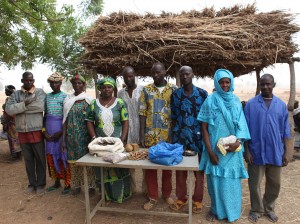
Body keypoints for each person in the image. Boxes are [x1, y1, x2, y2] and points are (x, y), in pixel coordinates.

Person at [197, 69, 250, 222]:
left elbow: (242, 126)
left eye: (227, 82)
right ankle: (215, 211)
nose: (225, 85)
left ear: (231, 82)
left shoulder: (235, 101)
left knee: (231, 183)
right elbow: (204, 128)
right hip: (215, 150)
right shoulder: (210, 100)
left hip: (233, 150)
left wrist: (237, 143)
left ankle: (232, 213)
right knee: (215, 182)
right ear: (217, 83)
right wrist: (210, 151)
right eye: (221, 82)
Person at [244, 74, 290, 223]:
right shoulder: (251, 104)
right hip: (256, 151)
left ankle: (269, 208)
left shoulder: (281, 105)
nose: (265, 87)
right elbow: (244, 130)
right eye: (262, 84)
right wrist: (247, 150)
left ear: (273, 84)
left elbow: (286, 131)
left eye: (268, 84)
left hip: (276, 151)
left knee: (275, 183)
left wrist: (286, 153)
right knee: (254, 182)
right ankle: (256, 210)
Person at [169, 66, 208, 213]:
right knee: (180, 171)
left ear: (193, 75)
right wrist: (173, 138)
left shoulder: (203, 94)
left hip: (198, 139)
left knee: (199, 172)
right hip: (180, 139)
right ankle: (181, 199)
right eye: (182, 74)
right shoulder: (176, 95)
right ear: (179, 77)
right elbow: (173, 118)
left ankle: (197, 200)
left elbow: (206, 119)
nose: (184, 76)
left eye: (187, 74)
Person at [139, 62, 177, 210]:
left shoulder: (173, 89)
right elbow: (142, 113)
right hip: (150, 135)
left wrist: (173, 134)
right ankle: (153, 197)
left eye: (159, 72)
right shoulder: (146, 90)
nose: (156, 75)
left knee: (167, 167)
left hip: (166, 136)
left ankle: (167, 195)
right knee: (150, 168)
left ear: (165, 72)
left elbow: (175, 114)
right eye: (153, 72)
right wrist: (142, 134)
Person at [86, 77, 131, 203]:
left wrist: (122, 140)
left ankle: (120, 195)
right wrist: (94, 138)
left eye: (109, 87)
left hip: (116, 144)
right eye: (104, 87)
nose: (107, 89)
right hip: (100, 145)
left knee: (118, 168)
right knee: (102, 168)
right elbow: (89, 121)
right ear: (100, 88)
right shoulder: (94, 104)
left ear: (113, 88)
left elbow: (125, 122)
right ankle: (104, 195)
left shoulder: (120, 103)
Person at [5, 72, 47, 194]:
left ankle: (41, 184)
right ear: (22, 80)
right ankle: (32, 183)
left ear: (33, 80)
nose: (28, 82)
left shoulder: (39, 92)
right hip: (22, 132)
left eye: (30, 80)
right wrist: (25, 104)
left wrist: (19, 109)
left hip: (36, 130)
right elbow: (9, 109)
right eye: (26, 80)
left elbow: (39, 107)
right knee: (28, 160)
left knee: (40, 159)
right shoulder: (16, 94)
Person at [62, 74, 95, 195]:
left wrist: (93, 137)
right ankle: (76, 185)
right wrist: (63, 139)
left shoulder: (89, 100)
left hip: (85, 137)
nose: (77, 85)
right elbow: (64, 120)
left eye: (79, 83)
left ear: (84, 85)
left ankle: (91, 186)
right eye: (75, 83)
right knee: (73, 162)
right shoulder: (68, 100)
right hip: (71, 137)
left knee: (88, 162)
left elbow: (93, 120)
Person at [117, 66, 144, 193]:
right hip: (127, 132)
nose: (128, 79)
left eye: (131, 76)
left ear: (135, 75)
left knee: (144, 160)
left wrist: (143, 133)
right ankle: (132, 189)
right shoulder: (120, 93)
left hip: (141, 130)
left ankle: (146, 190)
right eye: (126, 77)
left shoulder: (143, 90)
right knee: (128, 163)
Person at [44, 73, 71, 194]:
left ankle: (67, 183)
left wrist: (61, 133)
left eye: (57, 83)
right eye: (52, 83)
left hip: (61, 131)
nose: (54, 85)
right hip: (49, 131)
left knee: (62, 156)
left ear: (60, 84)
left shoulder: (65, 97)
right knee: (50, 156)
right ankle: (56, 182)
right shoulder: (47, 97)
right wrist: (44, 132)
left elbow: (67, 117)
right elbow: (45, 116)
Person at [1, 85, 22, 161]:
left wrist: (5, 121)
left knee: (15, 139)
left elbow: (11, 112)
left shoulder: (11, 99)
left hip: (13, 122)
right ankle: (16, 156)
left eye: (6, 90)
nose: (5, 92)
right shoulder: (12, 98)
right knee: (14, 139)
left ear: (9, 91)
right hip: (12, 122)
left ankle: (18, 157)